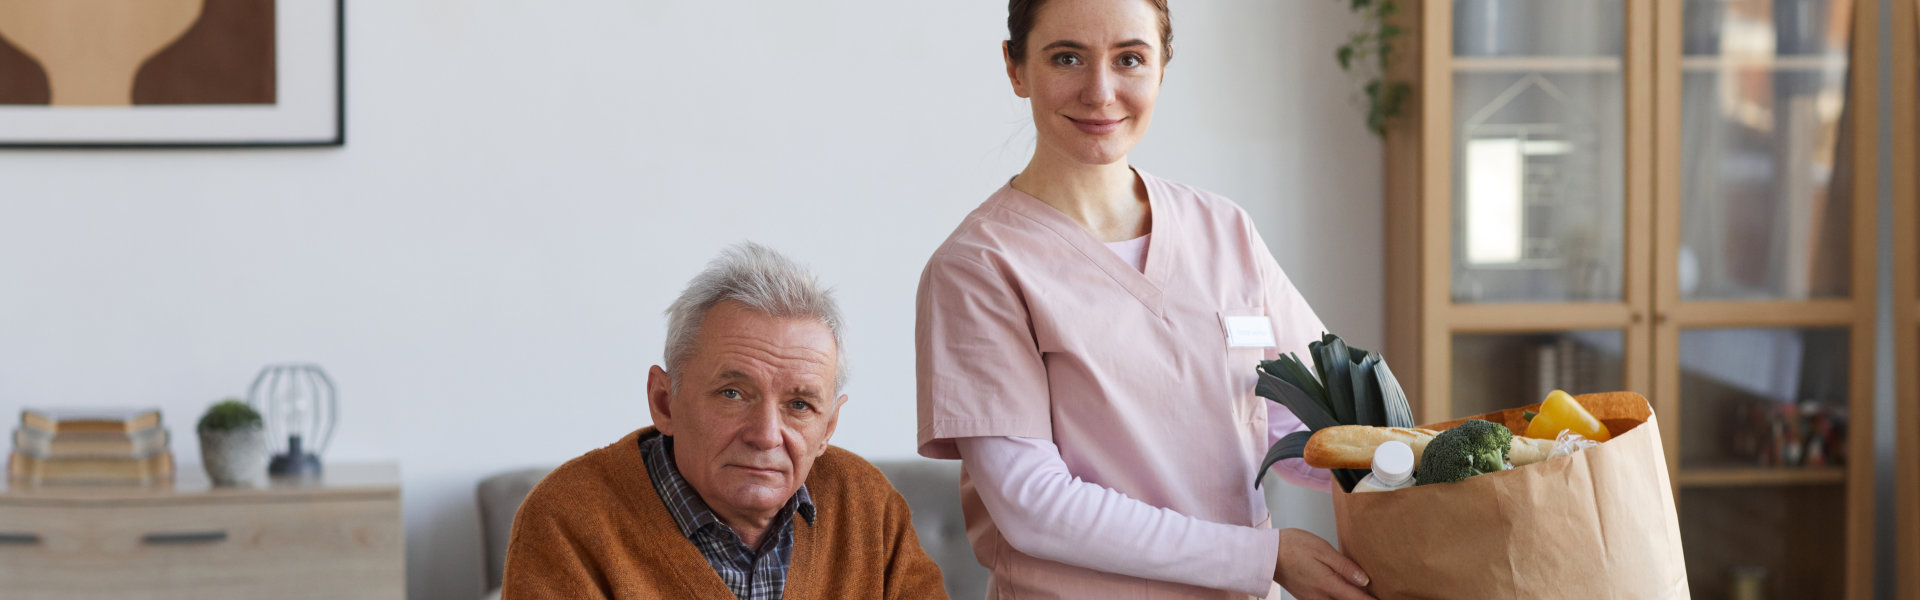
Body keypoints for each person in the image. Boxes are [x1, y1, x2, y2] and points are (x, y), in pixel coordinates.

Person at [914, 1, 1374, 598]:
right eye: (1067, 58)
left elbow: (1314, 426)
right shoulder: (979, 268)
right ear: (1016, 68)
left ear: (1162, 66)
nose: (1100, 92)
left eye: (1129, 58)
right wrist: (1265, 556)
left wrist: (1423, 463)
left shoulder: (1224, 229)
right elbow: (1033, 505)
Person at [505, 242, 948, 599]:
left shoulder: (869, 508)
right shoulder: (567, 520)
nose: (766, 435)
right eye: (732, 394)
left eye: (799, 406)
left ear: (828, 427)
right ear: (664, 401)